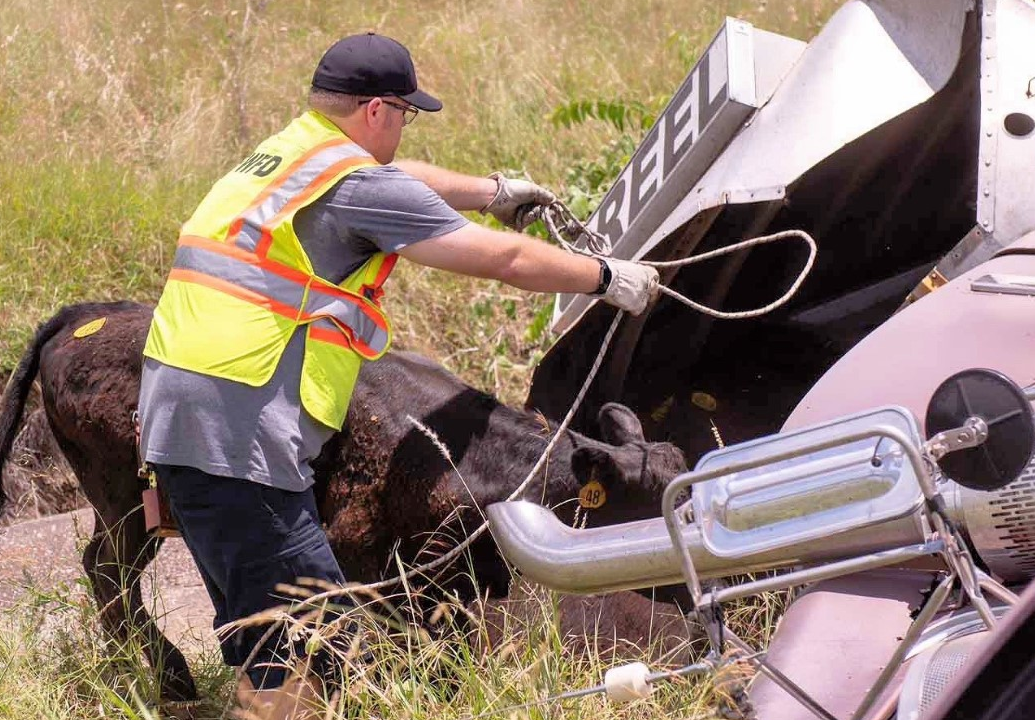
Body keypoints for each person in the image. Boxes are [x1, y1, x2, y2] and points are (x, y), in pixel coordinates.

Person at [136, 31, 659, 718]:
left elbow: (403, 177)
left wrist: (495, 190)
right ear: (378, 109)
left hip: (191, 423)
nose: (402, 128)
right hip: (239, 442)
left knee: (277, 641)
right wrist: (606, 276)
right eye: (405, 114)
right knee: (312, 644)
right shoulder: (353, 184)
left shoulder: (290, 156)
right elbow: (499, 259)